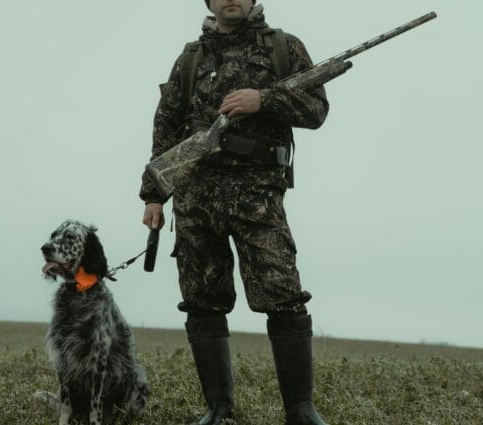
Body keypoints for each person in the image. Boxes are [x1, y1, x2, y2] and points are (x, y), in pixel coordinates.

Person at [139, 1, 329, 424]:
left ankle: (301, 410)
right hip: (196, 195)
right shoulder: (189, 59)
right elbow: (166, 126)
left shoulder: (284, 48)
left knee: (283, 294)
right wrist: (154, 195)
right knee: (203, 299)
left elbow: (317, 111)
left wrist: (264, 99)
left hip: (258, 194)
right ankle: (218, 408)